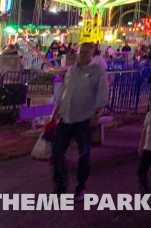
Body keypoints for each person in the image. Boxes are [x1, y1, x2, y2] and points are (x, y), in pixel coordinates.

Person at [51, 43, 108, 198]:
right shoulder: (71, 71)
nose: (81, 55)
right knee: (56, 151)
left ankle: (80, 185)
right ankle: (60, 186)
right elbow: (65, 90)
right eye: (79, 52)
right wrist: (57, 109)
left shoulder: (96, 71)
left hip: (84, 118)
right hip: (66, 117)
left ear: (92, 55)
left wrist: (98, 112)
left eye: (85, 53)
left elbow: (102, 91)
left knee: (84, 153)